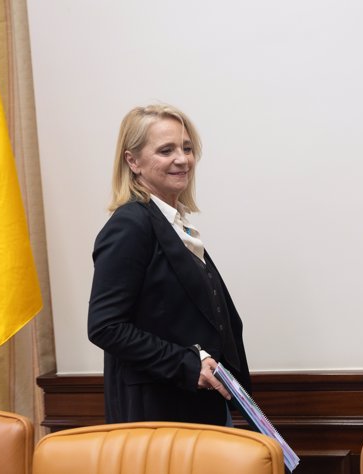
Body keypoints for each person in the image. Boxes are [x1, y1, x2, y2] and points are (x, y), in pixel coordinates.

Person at [88, 103, 251, 426]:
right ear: (132, 161)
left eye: (187, 148)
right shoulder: (130, 224)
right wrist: (188, 364)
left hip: (199, 405)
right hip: (159, 413)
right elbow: (106, 327)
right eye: (166, 150)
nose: (182, 159)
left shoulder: (174, 225)